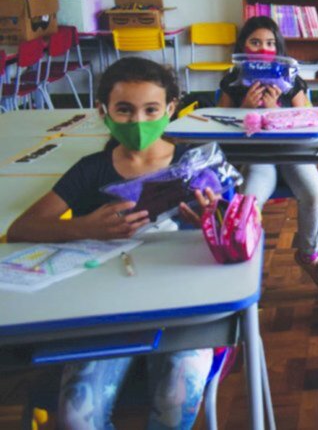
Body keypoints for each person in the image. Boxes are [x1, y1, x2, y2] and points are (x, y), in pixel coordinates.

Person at [8, 58, 218, 429]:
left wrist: (211, 224)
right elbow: (22, 228)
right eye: (124, 110)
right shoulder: (92, 170)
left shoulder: (195, 165)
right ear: (103, 112)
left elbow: (239, 230)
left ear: (170, 109)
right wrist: (85, 227)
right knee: (75, 415)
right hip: (103, 312)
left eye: (151, 109)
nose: (138, 122)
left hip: (180, 307)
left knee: (176, 400)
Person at [218, 16, 318, 289]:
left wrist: (277, 112)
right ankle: (245, 267)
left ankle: (307, 254)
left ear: (278, 48)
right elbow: (220, 125)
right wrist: (244, 107)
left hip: (293, 154)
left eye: (269, 43)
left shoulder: (290, 78)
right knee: (248, 203)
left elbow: (306, 120)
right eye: (255, 42)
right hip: (259, 158)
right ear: (243, 45)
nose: (262, 49)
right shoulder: (234, 79)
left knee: (313, 192)